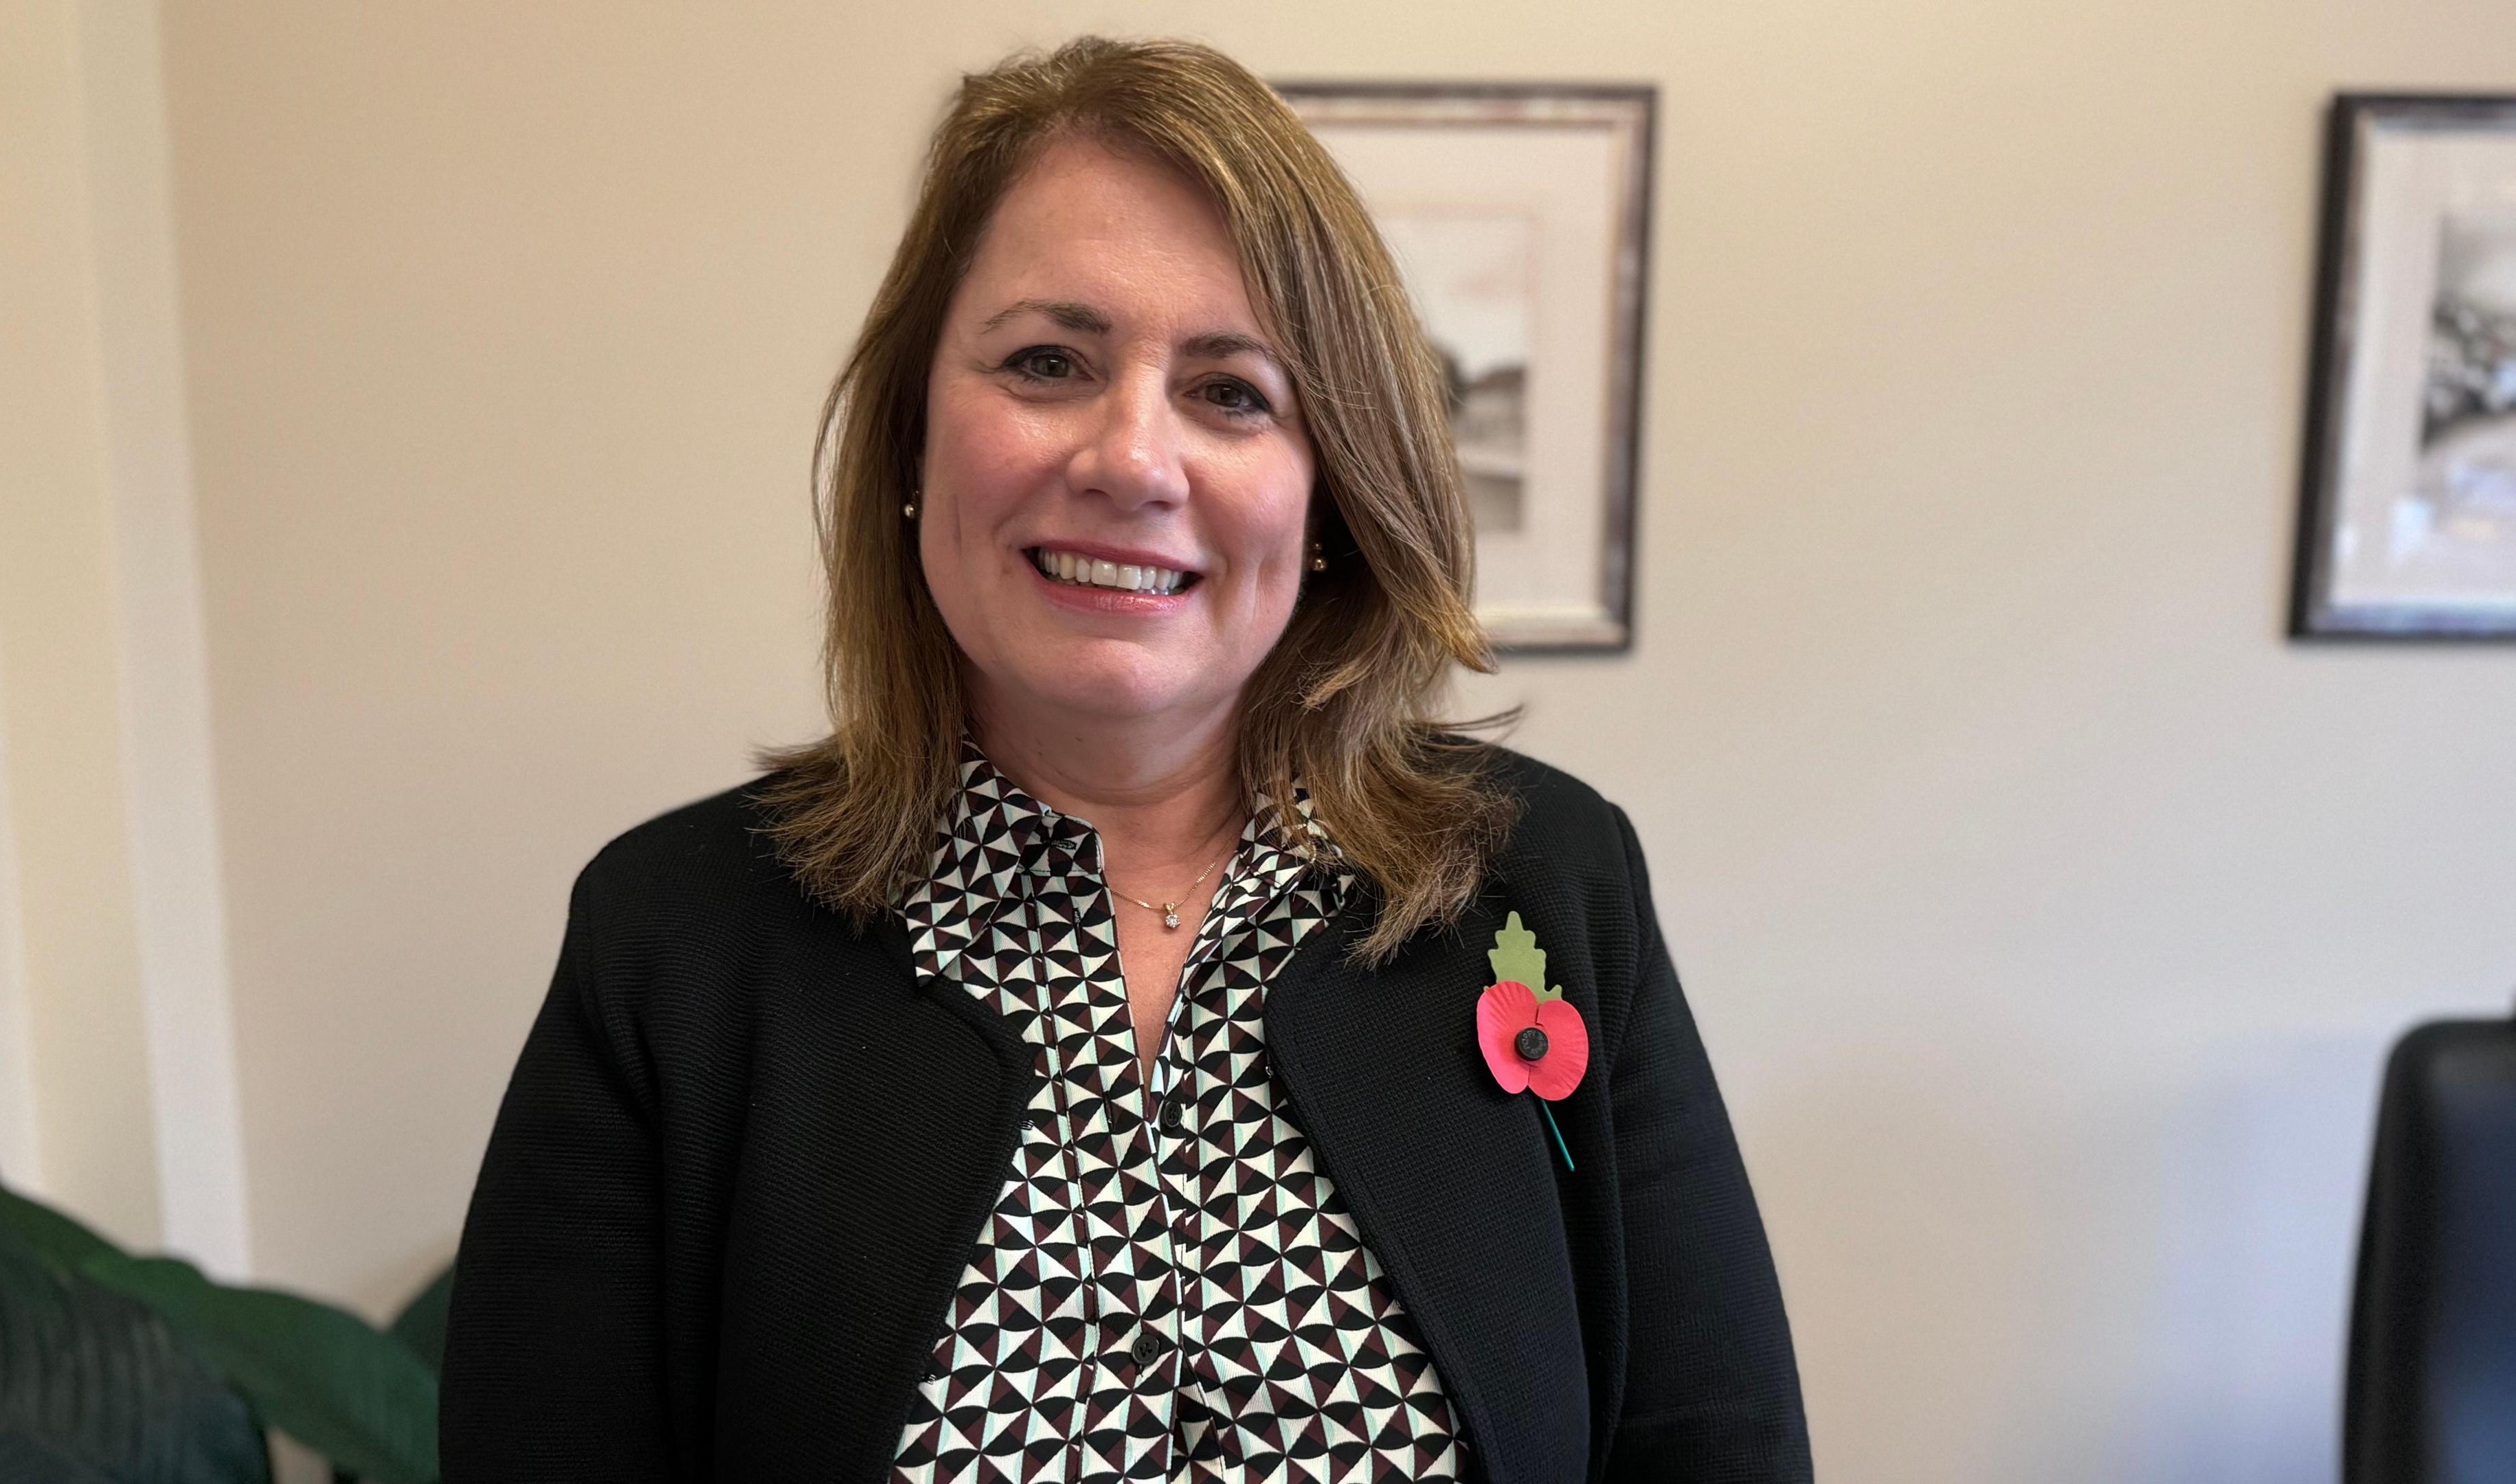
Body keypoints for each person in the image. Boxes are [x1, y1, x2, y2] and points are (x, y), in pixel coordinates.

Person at [440, 35, 1810, 1484]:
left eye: (1231, 392)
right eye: (1049, 362)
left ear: (1330, 483)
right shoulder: (675, 940)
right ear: (916, 431)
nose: (1132, 460)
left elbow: (1710, 1445)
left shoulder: (1547, 882)